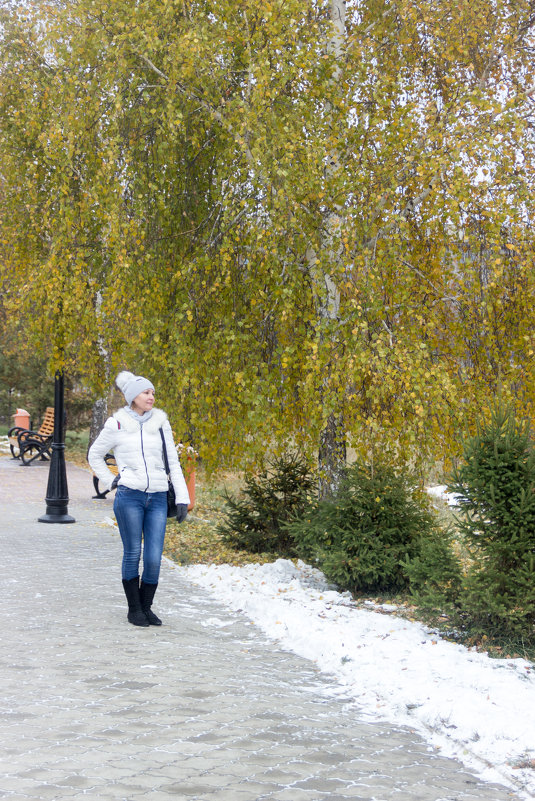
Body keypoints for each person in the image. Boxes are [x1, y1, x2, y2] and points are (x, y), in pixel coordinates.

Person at [88, 370, 190, 627]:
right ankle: (135, 609)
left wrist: (182, 497)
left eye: (153, 392)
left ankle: (147, 607)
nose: (151, 396)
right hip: (129, 497)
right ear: (133, 397)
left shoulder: (161, 423)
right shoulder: (117, 424)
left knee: (154, 556)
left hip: (157, 497)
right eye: (146, 392)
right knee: (133, 552)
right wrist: (111, 480)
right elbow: (94, 455)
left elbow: (173, 462)